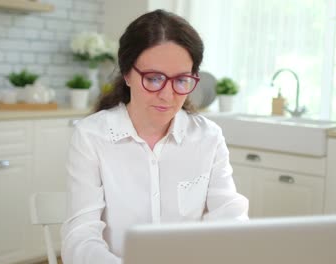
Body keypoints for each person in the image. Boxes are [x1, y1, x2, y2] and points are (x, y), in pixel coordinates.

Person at [61, 9, 249, 264]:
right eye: (154, 78)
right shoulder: (91, 136)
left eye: (181, 80)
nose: (168, 95)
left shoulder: (208, 137)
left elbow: (229, 216)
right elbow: (80, 237)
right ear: (127, 74)